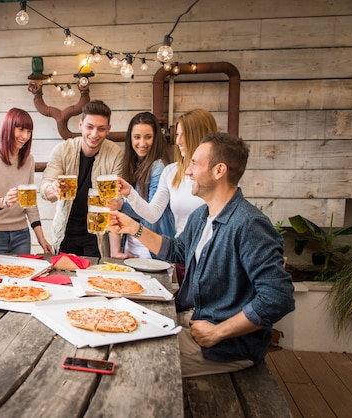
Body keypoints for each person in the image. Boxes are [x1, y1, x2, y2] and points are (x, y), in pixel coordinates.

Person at [109, 132, 295, 377]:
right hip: (192, 319)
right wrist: (134, 228)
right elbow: (178, 250)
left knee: (132, 363)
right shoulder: (202, 215)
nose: (187, 171)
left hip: (225, 346)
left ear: (219, 171)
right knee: (117, 332)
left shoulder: (249, 225)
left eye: (195, 163)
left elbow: (278, 297)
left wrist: (219, 332)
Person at [114, 109, 217, 277]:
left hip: (210, 258)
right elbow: (153, 214)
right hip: (182, 255)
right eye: (177, 134)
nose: (178, 141)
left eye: (184, 135)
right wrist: (130, 193)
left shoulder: (216, 175)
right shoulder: (171, 171)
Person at [40, 100, 123, 257]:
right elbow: (45, 188)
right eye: (89, 127)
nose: (94, 134)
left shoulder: (115, 154)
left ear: (108, 130)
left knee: (95, 278)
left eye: (101, 129)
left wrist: (115, 250)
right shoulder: (63, 150)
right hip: (66, 230)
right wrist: (54, 188)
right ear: (80, 125)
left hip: (97, 235)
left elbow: (117, 200)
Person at [0, 108, 53, 262]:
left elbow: (30, 203)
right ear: (8, 128)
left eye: (29, 131)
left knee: (21, 282)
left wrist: (41, 238)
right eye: (20, 129)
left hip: (22, 235)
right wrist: (3, 201)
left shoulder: (28, 160)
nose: (25, 136)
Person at [108, 111, 175, 259]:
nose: (142, 143)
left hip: (151, 247)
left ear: (156, 138)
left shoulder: (158, 166)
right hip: (132, 243)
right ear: (130, 139)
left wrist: (122, 205)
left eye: (148, 137)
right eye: (137, 137)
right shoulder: (132, 164)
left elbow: (151, 213)